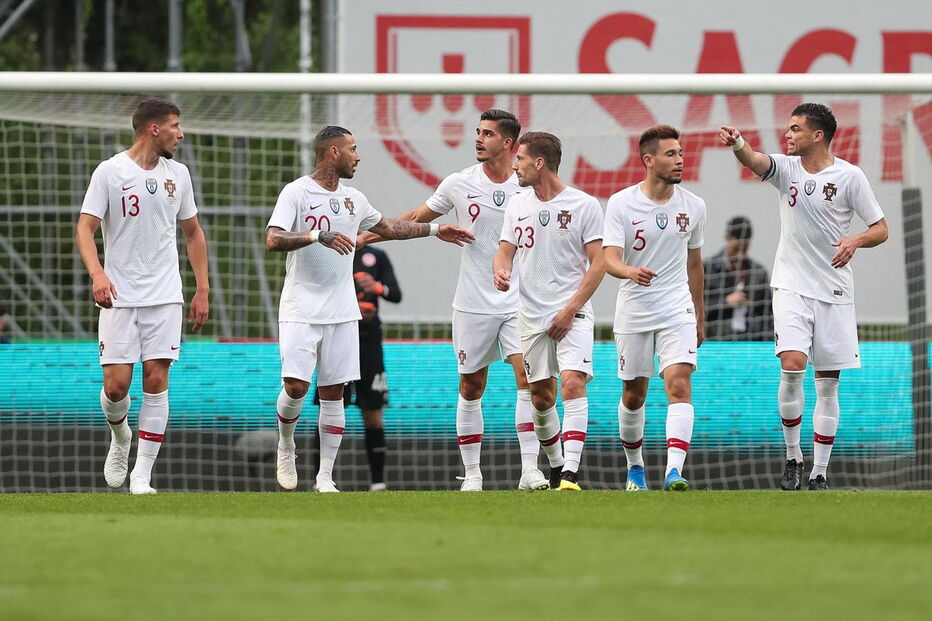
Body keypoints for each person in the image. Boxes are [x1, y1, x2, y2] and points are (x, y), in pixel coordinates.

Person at [266, 125, 473, 493]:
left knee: (335, 393)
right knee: (296, 387)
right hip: (300, 306)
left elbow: (390, 227)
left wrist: (435, 230)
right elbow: (273, 238)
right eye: (353, 149)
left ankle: (325, 477)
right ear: (333, 153)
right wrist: (317, 235)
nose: (358, 156)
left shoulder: (354, 199)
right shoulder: (296, 191)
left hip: (344, 311)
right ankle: (287, 443)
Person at [359, 109, 549, 492]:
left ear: (509, 144)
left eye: (488, 134)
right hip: (473, 303)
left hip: (520, 302)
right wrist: (366, 237)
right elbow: (416, 216)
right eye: (478, 132)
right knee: (471, 386)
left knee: (527, 380)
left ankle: (530, 469)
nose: (478, 139)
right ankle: (473, 474)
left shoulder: (530, 185)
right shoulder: (460, 183)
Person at [721, 103, 888, 491]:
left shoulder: (850, 177)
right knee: (793, 364)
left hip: (833, 290)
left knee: (827, 383)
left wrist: (856, 240)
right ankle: (794, 457)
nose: (788, 134)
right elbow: (755, 160)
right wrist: (738, 144)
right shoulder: (788, 169)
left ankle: (820, 472)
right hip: (791, 285)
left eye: (795, 129)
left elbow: (880, 228)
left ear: (818, 135)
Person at [75, 98, 210, 495]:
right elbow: (85, 229)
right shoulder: (110, 172)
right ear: (153, 129)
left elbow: (193, 233)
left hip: (165, 294)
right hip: (118, 295)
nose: (180, 134)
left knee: (156, 377)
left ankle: (142, 476)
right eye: (175, 126)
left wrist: (202, 288)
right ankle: (120, 437)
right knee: (117, 386)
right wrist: (98, 273)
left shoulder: (179, 175)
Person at [493, 131, 605, 491]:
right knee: (541, 397)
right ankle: (556, 465)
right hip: (530, 316)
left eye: (520, 159)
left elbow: (599, 264)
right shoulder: (517, 205)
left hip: (573, 314)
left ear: (539, 162)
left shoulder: (584, 205)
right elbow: (505, 249)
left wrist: (571, 310)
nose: (515, 166)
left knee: (573, 382)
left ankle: (571, 472)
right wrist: (500, 268)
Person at [602, 124, 706, 492]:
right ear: (648, 160)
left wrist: (699, 313)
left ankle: (674, 471)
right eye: (671, 154)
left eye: (681, 153)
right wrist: (630, 270)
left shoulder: (694, 206)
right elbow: (609, 259)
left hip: (677, 308)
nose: (680, 160)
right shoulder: (621, 203)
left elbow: (695, 264)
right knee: (634, 394)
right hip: (634, 308)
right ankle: (635, 469)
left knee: (678, 384)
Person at [312, 246, 401, 491]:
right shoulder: (330, 252)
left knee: (373, 413)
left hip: (369, 341)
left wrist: (378, 289)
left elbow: (396, 294)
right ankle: (320, 479)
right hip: (336, 334)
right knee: (329, 406)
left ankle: (378, 483)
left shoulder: (378, 256)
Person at [703, 216, 773, 341]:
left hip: (751, 343)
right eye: (737, 247)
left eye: (744, 248)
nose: (740, 253)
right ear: (727, 239)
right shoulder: (707, 269)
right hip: (716, 343)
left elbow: (768, 316)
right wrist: (725, 302)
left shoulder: (758, 273)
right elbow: (696, 308)